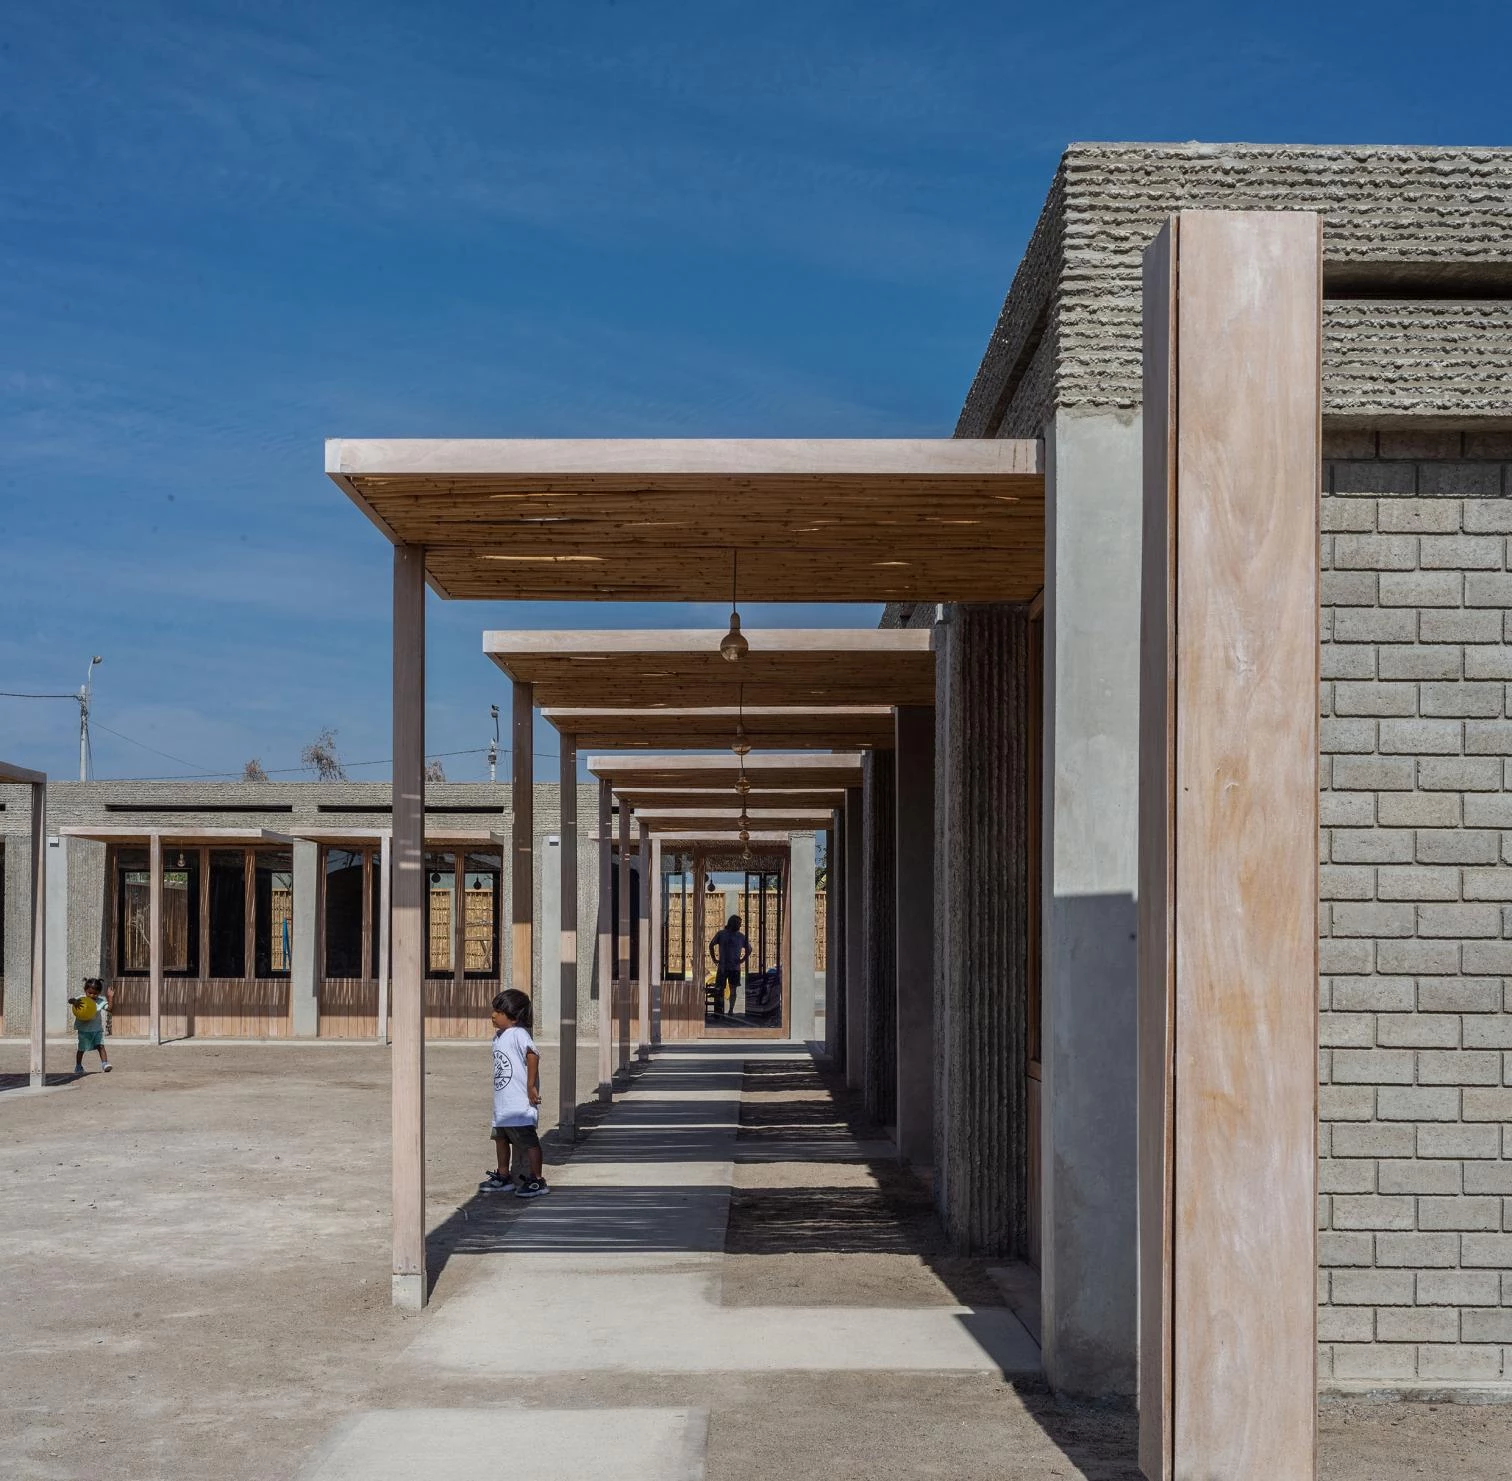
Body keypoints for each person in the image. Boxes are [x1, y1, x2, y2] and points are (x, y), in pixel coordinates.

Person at [478, 988, 550, 1199]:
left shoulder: (519, 1034)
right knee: (500, 1139)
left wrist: (531, 1086)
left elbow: (532, 1054)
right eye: (494, 1010)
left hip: (519, 1104)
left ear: (514, 1016)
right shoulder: (498, 1037)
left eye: (499, 1012)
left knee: (529, 1141)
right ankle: (503, 1175)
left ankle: (537, 1179)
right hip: (502, 1104)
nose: (493, 1015)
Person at [709, 914, 751, 1017]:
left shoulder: (739, 936)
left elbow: (749, 949)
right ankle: (722, 1011)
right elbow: (711, 945)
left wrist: (742, 960)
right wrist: (714, 959)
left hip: (730, 968)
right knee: (723, 990)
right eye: (738, 923)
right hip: (726, 968)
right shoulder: (722, 934)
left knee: (729, 990)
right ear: (732, 923)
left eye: (740, 924)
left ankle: (729, 1010)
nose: (740, 925)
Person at [68, 980, 112, 1076]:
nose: (92, 995)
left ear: (99, 993)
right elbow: (70, 1000)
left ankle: (105, 1064)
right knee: (81, 1049)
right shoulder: (81, 999)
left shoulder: (100, 1001)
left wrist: (110, 997)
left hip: (97, 1029)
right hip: (84, 1030)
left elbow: (110, 1009)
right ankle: (78, 1066)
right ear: (85, 990)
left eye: (95, 994)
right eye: (90, 993)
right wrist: (74, 1002)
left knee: (101, 1046)